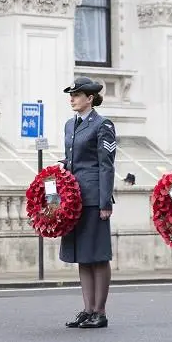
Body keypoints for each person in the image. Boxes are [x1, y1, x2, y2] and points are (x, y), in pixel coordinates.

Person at [60, 77, 116, 329]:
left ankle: (100, 311)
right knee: (83, 256)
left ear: (90, 98)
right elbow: (72, 160)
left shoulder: (103, 125)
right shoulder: (70, 125)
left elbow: (106, 164)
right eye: (71, 95)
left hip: (94, 198)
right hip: (75, 199)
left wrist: (105, 202)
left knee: (98, 255)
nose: (72, 98)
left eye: (77, 94)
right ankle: (88, 308)